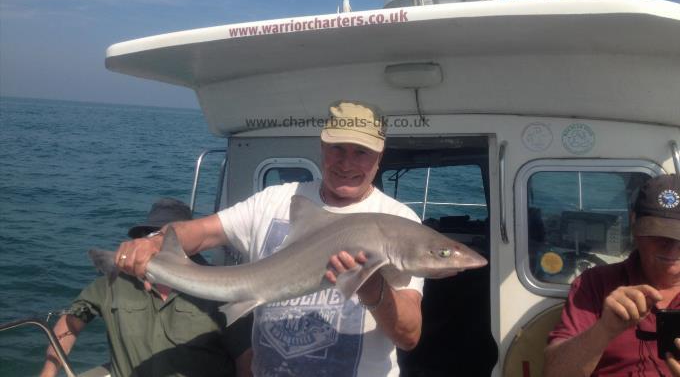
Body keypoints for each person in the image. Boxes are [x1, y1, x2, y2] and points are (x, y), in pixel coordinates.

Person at [115, 101, 424, 377]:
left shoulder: (398, 223)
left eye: (361, 152)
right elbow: (202, 232)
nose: (346, 163)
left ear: (379, 157)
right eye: (337, 149)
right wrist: (154, 241)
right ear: (322, 148)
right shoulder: (275, 200)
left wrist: (371, 287)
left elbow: (409, 334)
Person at [40, 198, 253, 377]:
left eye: (172, 241)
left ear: (191, 244)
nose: (158, 246)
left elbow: (245, 357)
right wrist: (47, 373)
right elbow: (71, 321)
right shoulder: (113, 284)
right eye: (152, 237)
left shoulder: (221, 289)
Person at [544, 174, 680, 377]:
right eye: (658, 235)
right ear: (634, 224)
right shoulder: (595, 284)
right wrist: (605, 329)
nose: (672, 248)